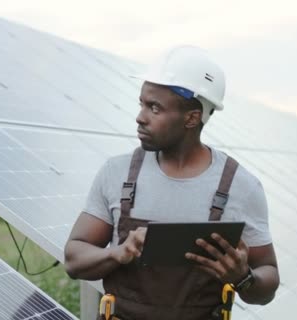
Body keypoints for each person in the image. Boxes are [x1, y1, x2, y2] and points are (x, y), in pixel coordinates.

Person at [64, 46, 279, 320]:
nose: (140, 117)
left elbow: (268, 280)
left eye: (155, 108)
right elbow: (73, 260)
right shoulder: (116, 174)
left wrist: (243, 278)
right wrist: (118, 253)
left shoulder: (240, 186)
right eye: (142, 103)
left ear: (191, 118)